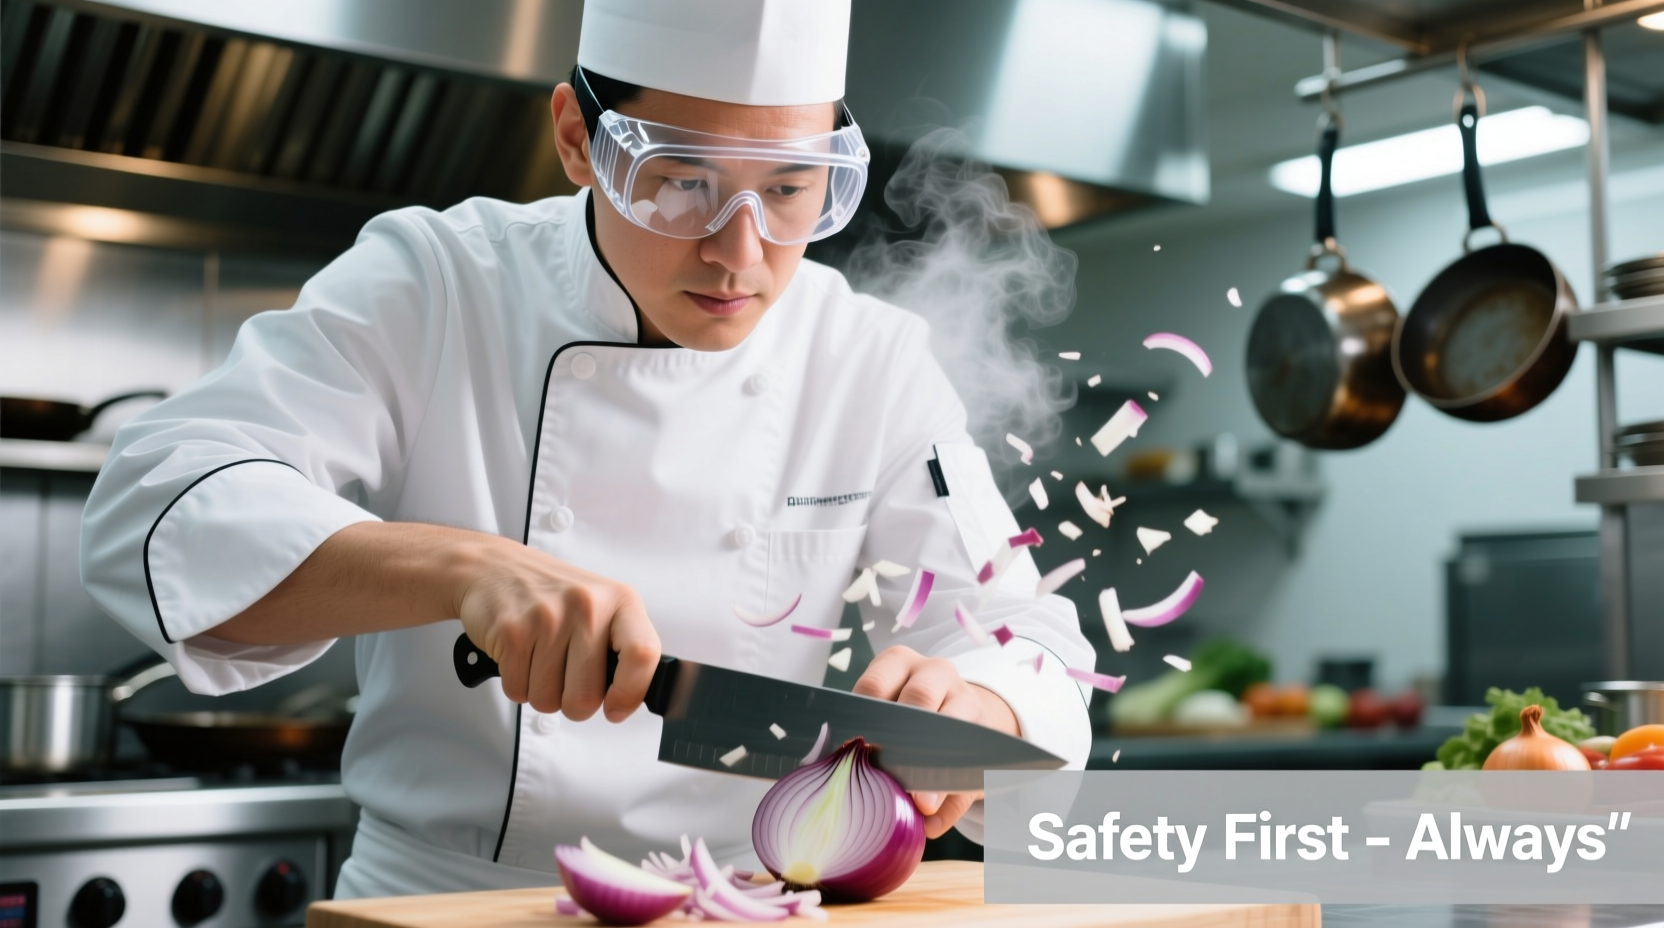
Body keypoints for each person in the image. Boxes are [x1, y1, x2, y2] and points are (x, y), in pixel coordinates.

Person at [81, 0, 1094, 897]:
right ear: (577, 137)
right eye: (681, 181)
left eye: (791, 190)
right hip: (438, 906)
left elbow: (1022, 630)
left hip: (735, 903)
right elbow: (153, 503)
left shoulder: (868, 359)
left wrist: (984, 702)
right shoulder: (436, 283)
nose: (738, 253)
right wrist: (463, 568)